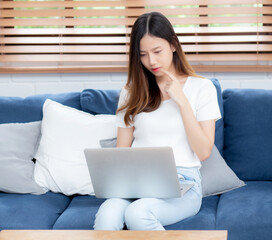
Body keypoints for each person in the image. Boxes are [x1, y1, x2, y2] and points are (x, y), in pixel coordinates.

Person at [93, 12, 221, 231]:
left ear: (173, 45)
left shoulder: (202, 88)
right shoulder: (131, 92)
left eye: (157, 51)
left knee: (138, 213)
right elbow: (121, 151)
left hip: (184, 182)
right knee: (107, 216)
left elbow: (203, 152)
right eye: (143, 54)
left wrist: (182, 101)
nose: (151, 61)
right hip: (137, 181)